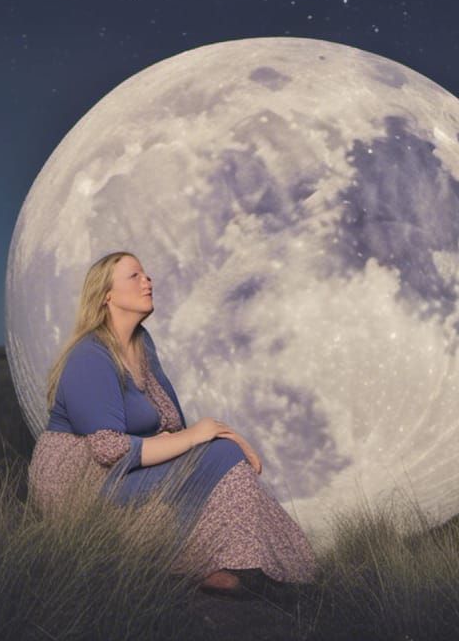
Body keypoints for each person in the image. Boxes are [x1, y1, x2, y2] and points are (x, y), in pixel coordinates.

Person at [27, 250, 318, 598]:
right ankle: (254, 569)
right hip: (80, 480)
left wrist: (224, 433)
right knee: (217, 454)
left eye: (146, 274)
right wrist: (200, 436)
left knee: (216, 451)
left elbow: (170, 422)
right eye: (134, 276)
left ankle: (239, 564)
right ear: (107, 295)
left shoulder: (140, 344)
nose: (147, 280)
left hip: (118, 466)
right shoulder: (91, 355)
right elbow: (109, 450)